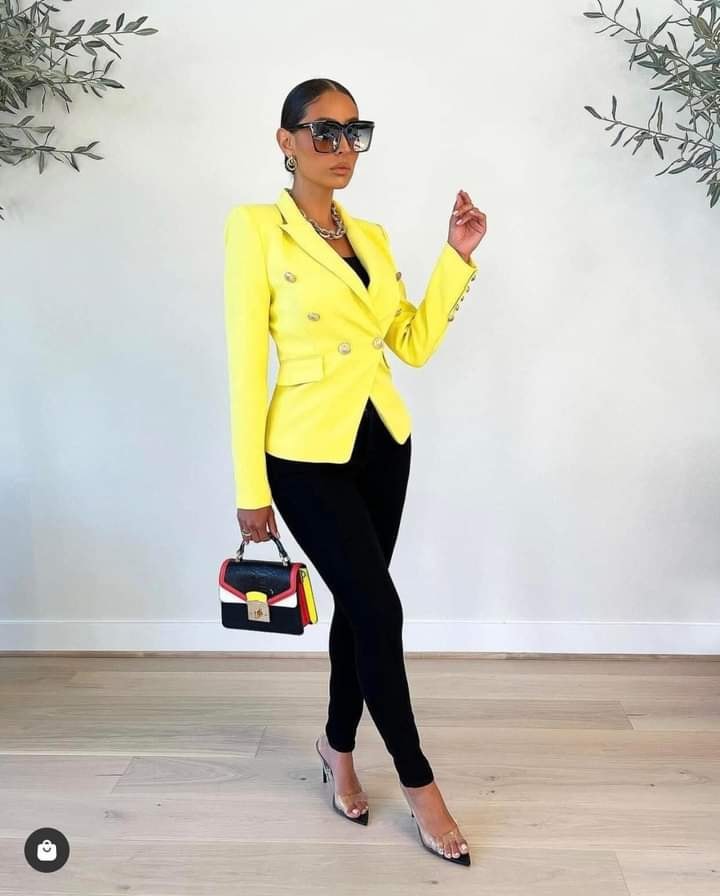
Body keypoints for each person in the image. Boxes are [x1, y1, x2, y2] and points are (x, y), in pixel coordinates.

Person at [223, 77, 487, 866]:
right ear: (286, 141)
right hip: (304, 453)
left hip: (382, 443)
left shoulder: (369, 234)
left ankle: (337, 747)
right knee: (380, 607)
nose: (342, 148)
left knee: (360, 608)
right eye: (324, 132)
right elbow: (246, 367)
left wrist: (455, 259)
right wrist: (250, 491)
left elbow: (410, 344)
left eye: (353, 132)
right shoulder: (255, 228)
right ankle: (418, 781)